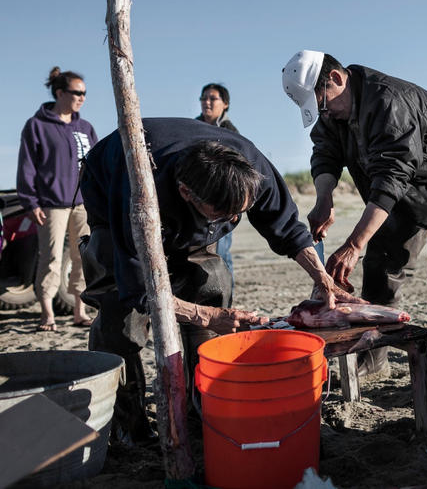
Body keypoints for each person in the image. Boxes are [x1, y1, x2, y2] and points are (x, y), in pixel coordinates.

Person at [79, 117, 360, 445]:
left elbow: (287, 229)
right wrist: (208, 317)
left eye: (239, 214)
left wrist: (324, 281)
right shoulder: (137, 193)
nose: (234, 220)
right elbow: (139, 289)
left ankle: (203, 405)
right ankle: (127, 423)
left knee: (211, 282)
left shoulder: (253, 168)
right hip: (113, 190)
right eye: (224, 215)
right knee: (122, 318)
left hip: (192, 204)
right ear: (186, 193)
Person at [282, 50, 427, 395]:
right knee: (380, 266)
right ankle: (373, 357)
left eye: (325, 105)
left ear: (336, 78)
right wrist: (324, 198)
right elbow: (325, 153)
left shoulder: (389, 103)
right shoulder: (334, 113)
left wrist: (354, 244)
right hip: (402, 190)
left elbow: (391, 176)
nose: (326, 115)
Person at [17, 67, 97, 331]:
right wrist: (30, 202)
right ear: (60, 92)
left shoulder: (85, 127)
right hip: (51, 205)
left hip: (82, 204)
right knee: (50, 258)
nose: (82, 98)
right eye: (77, 93)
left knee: (81, 257)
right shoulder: (36, 125)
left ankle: (79, 310)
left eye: (85, 93)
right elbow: (27, 166)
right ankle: (47, 313)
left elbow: (97, 164)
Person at [195, 82, 238, 276]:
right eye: (204, 98)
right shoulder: (192, 128)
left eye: (213, 98)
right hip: (196, 202)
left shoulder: (230, 132)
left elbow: (238, 172)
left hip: (222, 204)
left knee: (221, 254)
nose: (207, 102)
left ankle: (226, 302)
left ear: (225, 104)